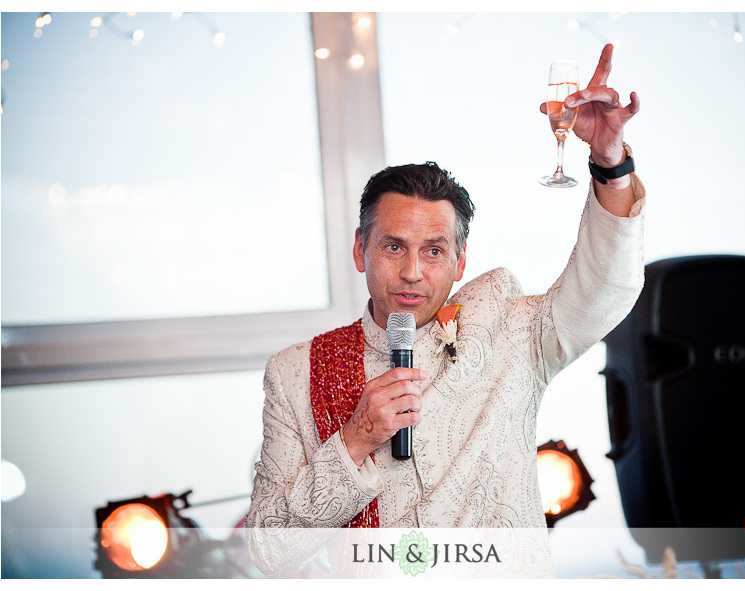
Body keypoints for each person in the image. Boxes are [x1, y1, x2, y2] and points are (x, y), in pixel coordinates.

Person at [246, 44, 645, 576]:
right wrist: (355, 438)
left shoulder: (510, 333)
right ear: (360, 250)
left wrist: (611, 164)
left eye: (433, 251)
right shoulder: (296, 373)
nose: (412, 272)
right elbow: (269, 553)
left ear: (460, 262)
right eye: (394, 247)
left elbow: (608, 287)